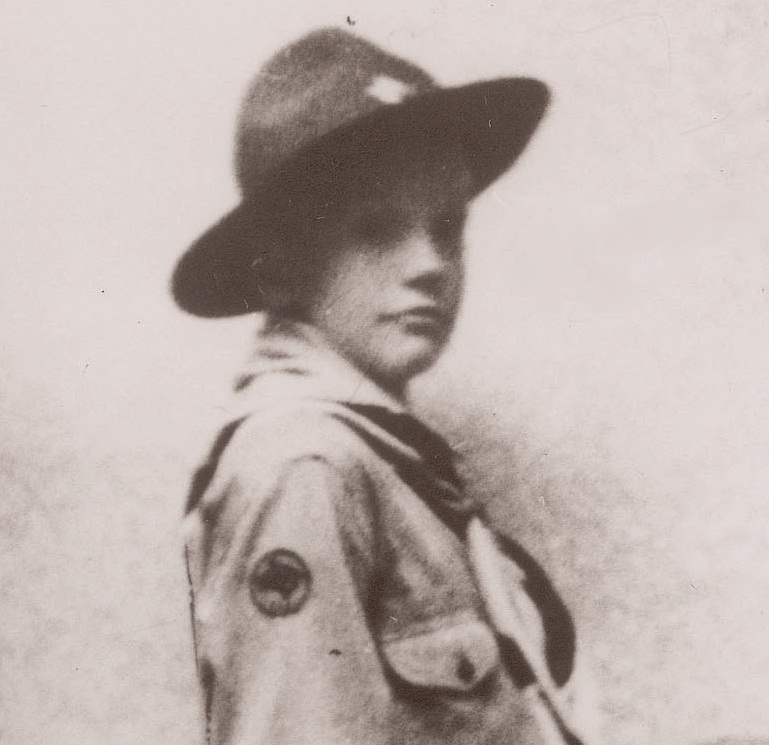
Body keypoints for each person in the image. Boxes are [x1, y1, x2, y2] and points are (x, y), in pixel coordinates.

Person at [172, 27, 591, 745]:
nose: (430, 264)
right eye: (376, 230)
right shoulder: (304, 466)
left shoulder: (386, 463)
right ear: (277, 270)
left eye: (446, 227)